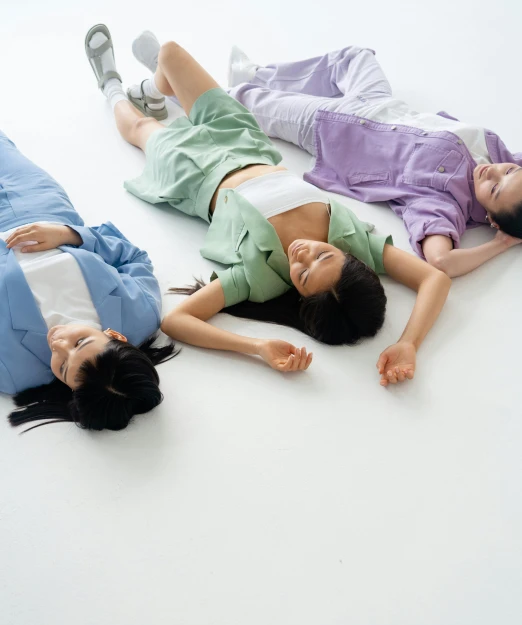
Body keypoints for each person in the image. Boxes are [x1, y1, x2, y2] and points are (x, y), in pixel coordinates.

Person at [86, 26, 451, 386]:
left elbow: (177, 320)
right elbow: (434, 278)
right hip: (243, 140)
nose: (302, 254)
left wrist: (257, 347)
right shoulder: (358, 243)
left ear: (299, 296)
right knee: (169, 52)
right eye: (324, 256)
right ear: (348, 259)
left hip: (190, 170)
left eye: (302, 275)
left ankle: (111, 86)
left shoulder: (259, 279)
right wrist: (408, 342)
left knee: (142, 128)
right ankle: (154, 87)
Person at [223, 45, 522, 278]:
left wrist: (501, 243)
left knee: (242, 101)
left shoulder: (444, 202)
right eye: (508, 171)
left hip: (331, 129)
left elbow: (441, 261)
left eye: (494, 190)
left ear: (493, 219)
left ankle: (186, 94)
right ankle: (255, 74)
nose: (491, 172)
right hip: (377, 102)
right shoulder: (501, 158)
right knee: (354, 57)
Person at [0, 130, 176, 431]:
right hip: (37, 201)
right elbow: (134, 259)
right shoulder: (141, 313)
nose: (58, 343)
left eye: (63, 368)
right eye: (80, 341)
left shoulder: (14, 374)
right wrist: (71, 235)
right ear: (115, 336)